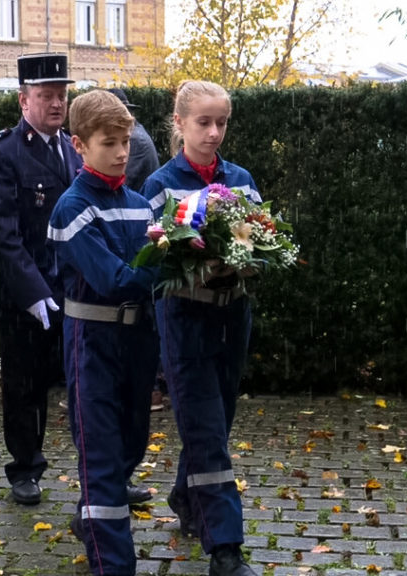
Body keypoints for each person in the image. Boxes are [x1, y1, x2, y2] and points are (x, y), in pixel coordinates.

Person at [139, 81, 260, 576]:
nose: (214, 133)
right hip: (185, 320)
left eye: (222, 122)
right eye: (203, 122)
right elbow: (153, 263)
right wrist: (197, 267)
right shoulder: (161, 185)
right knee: (209, 433)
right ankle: (225, 551)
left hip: (233, 317)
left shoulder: (241, 179)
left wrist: (248, 263)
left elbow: (258, 242)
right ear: (179, 123)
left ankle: (185, 496)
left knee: (218, 421)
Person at [47, 90, 159, 576]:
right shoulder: (71, 209)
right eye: (108, 142)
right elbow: (113, 279)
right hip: (91, 343)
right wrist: (173, 264)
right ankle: (112, 564)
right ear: (79, 145)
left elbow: (146, 270)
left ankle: (93, 516)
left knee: (132, 443)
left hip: (137, 343)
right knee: (101, 453)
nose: (120, 152)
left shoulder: (138, 205)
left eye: (126, 142)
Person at [0, 53, 81, 506]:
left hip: (71, 288)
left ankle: (96, 468)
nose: (56, 104)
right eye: (46, 96)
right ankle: (25, 467)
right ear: (24, 100)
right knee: (24, 386)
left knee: (81, 382)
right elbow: (3, 234)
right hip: (26, 293)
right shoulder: (2, 153)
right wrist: (34, 292)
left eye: (61, 95)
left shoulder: (75, 150)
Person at [107, 87, 166, 412]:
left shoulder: (135, 143)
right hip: (135, 231)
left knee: (140, 303)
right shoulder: (136, 137)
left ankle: (151, 388)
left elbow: (116, 187)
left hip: (135, 233)